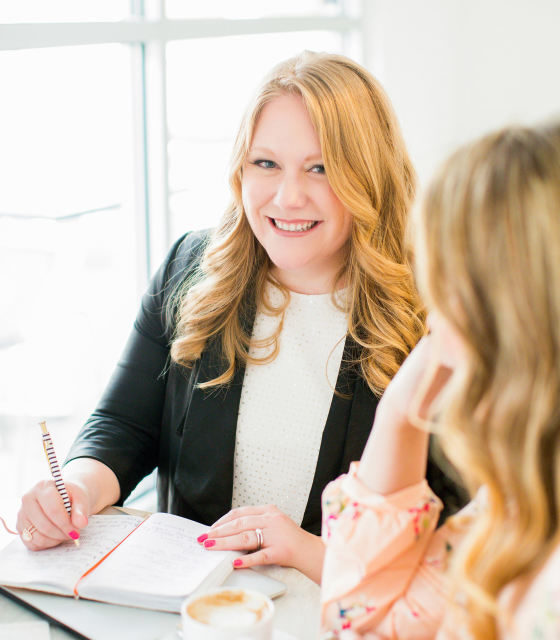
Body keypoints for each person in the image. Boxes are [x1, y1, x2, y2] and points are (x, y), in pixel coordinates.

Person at [15, 51, 464, 583]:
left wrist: (303, 550)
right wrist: (76, 491)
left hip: (340, 616)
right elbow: (122, 425)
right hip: (196, 611)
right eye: (265, 163)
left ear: (370, 176)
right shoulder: (191, 268)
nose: (287, 196)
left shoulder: (435, 316)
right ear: (239, 170)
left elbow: (463, 531)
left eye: (320, 168)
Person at [320, 121, 560, 638]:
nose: (431, 329)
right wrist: (400, 416)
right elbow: (364, 624)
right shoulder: (518, 503)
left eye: (445, 298)